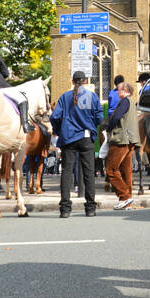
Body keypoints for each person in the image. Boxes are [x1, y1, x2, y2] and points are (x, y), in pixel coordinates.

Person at [50, 70, 102, 217]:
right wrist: (91, 126)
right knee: (89, 173)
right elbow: (99, 116)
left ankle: (65, 209)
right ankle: (90, 208)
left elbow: (55, 116)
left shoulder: (65, 97)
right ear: (85, 81)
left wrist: (59, 130)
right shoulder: (92, 96)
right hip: (86, 138)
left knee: (66, 172)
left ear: (72, 81)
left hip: (69, 138)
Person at [101, 81, 141, 209]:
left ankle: (124, 196)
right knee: (126, 171)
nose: (117, 92)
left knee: (111, 170)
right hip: (130, 140)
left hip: (121, 139)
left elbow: (116, 116)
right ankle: (127, 200)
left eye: (119, 90)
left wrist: (109, 126)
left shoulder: (124, 101)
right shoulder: (132, 102)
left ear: (125, 90)